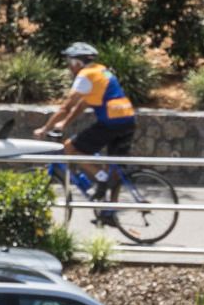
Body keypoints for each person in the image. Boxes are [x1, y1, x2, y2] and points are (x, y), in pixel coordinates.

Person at [40, 40, 137, 202]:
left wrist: (45, 128)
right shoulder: (100, 71)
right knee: (114, 166)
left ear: (77, 62)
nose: (69, 67)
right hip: (128, 120)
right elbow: (83, 104)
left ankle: (101, 179)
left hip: (111, 122)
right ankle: (109, 213)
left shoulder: (84, 75)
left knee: (71, 147)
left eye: (69, 62)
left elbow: (66, 106)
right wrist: (64, 124)